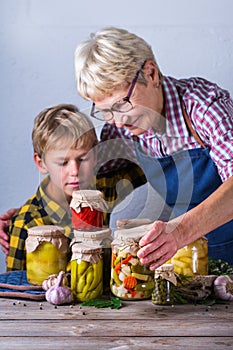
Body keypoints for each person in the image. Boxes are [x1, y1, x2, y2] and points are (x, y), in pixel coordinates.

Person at [73, 26, 233, 268]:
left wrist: (179, 232)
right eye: (105, 111)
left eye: (122, 103)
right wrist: (27, 216)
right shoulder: (120, 129)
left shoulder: (203, 108)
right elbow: (93, 184)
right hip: (191, 260)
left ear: (150, 73)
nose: (118, 120)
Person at [1, 103, 145, 269]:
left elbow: (155, 165)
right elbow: (14, 287)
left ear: (96, 154)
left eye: (83, 159)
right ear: (41, 163)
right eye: (62, 162)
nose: (75, 171)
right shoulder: (26, 222)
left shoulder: (103, 188)